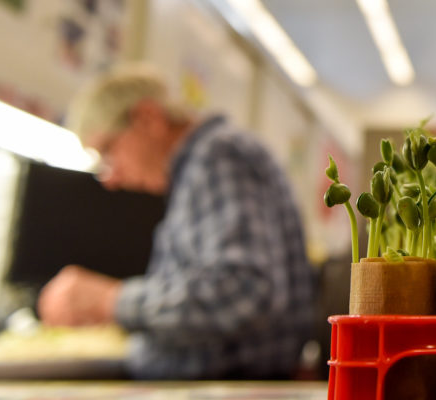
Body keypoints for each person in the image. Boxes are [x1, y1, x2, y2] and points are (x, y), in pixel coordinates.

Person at [37, 62, 316, 379]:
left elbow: (244, 290)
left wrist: (110, 300)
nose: (110, 178)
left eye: (108, 150)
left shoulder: (216, 157)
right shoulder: (202, 166)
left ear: (147, 118)